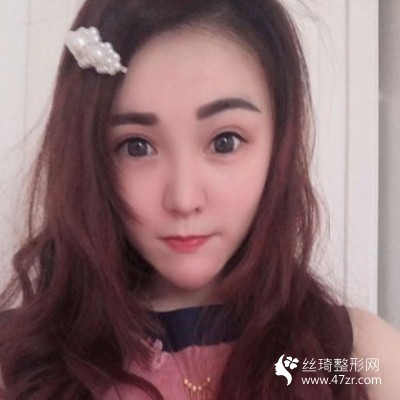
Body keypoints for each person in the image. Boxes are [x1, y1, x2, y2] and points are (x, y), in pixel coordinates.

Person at [0, 0, 399, 399]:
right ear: (91, 158)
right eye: (137, 146)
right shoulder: (16, 365)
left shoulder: (357, 358)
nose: (184, 199)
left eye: (225, 142)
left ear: (278, 145)